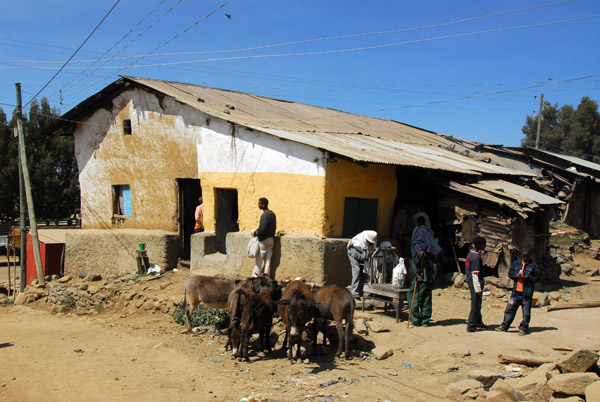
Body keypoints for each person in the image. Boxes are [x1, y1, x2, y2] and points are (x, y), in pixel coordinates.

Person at [407, 216, 442, 326]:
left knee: (413, 294)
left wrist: (420, 268)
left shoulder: (419, 234)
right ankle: (426, 320)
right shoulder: (429, 235)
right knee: (427, 295)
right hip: (431, 271)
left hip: (423, 272)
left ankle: (415, 319)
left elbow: (421, 253)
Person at [496, 249, 539, 335]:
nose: (525, 258)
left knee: (526, 312)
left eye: (527, 256)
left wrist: (529, 277)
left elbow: (537, 278)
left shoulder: (533, 266)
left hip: (527, 293)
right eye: (524, 256)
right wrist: (516, 275)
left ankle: (523, 328)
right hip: (516, 292)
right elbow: (510, 274)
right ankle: (505, 325)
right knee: (510, 309)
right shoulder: (516, 263)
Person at [346, 230, 378, 300]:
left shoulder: (373, 239)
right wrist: (367, 255)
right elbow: (357, 255)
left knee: (364, 272)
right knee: (356, 270)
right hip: (353, 253)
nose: (370, 243)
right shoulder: (358, 242)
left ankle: (360, 291)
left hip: (364, 254)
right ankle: (354, 292)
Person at [250, 197, 277, 278]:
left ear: (263, 205)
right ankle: (266, 278)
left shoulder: (264, 215)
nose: (258, 205)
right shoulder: (272, 214)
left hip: (263, 241)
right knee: (268, 261)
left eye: (259, 204)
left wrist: (255, 232)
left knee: (258, 261)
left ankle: (254, 279)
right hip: (271, 240)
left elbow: (262, 229)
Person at [465, 236, 487, 332]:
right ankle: (471, 326)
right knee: (476, 305)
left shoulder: (471, 254)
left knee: (478, 304)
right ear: (479, 245)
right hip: (475, 284)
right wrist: (478, 289)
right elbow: (475, 275)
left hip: (471, 282)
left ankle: (478, 322)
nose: (485, 246)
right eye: (483, 244)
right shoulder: (476, 257)